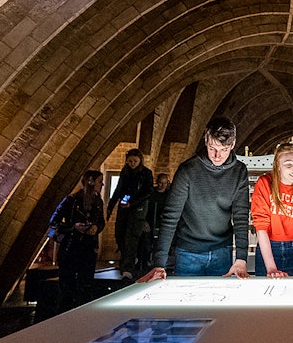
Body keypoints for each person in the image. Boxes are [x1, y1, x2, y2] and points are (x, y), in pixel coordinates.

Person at [142, 117, 250, 281]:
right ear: (206, 140)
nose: (217, 156)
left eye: (224, 149)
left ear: (233, 144)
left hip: (222, 251)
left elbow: (241, 217)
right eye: (212, 148)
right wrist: (159, 263)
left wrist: (241, 258)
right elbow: (171, 216)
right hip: (188, 252)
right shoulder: (188, 170)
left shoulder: (239, 171)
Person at [250, 142, 293, 277]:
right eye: (289, 165)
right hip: (269, 247)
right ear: (278, 166)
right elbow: (261, 226)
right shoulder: (265, 183)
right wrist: (271, 268)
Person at [49, 169, 106, 310]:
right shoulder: (71, 200)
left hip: (88, 249)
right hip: (71, 248)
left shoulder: (98, 201)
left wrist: (96, 228)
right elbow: (53, 221)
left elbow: (101, 222)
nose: (102, 184)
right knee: (67, 287)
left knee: (85, 285)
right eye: (99, 181)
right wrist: (73, 227)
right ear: (90, 181)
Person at [107, 148, 153, 279]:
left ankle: (128, 267)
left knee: (131, 238)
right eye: (130, 161)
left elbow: (148, 192)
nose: (132, 164)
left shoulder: (146, 173)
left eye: (135, 161)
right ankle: (127, 261)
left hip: (137, 209)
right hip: (124, 207)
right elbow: (118, 189)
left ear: (140, 161)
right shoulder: (125, 172)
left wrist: (132, 203)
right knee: (119, 234)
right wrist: (111, 206)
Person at [139, 172, 171, 271]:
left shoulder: (169, 195)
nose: (162, 185)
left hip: (163, 225)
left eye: (164, 183)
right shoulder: (151, 193)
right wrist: (144, 221)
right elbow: (143, 207)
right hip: (149, 223)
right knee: (147, 246)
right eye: (160, 183)